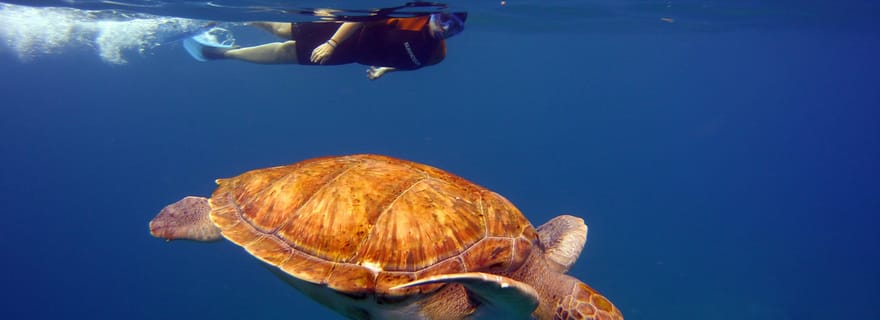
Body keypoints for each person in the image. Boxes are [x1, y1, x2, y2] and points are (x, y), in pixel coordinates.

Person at [187, 12, 466, 80]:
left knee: (287, 53)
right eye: (444, 20)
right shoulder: (411, 17)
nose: (446, 28)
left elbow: (407, 64)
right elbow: (362, 18)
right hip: (341, 33)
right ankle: (232, 17)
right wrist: (332, 42)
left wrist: (383, 70)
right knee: (283, 29)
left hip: (351, 55)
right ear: (435, 14)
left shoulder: (436, 55)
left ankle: (217, 53)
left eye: (455, 27)